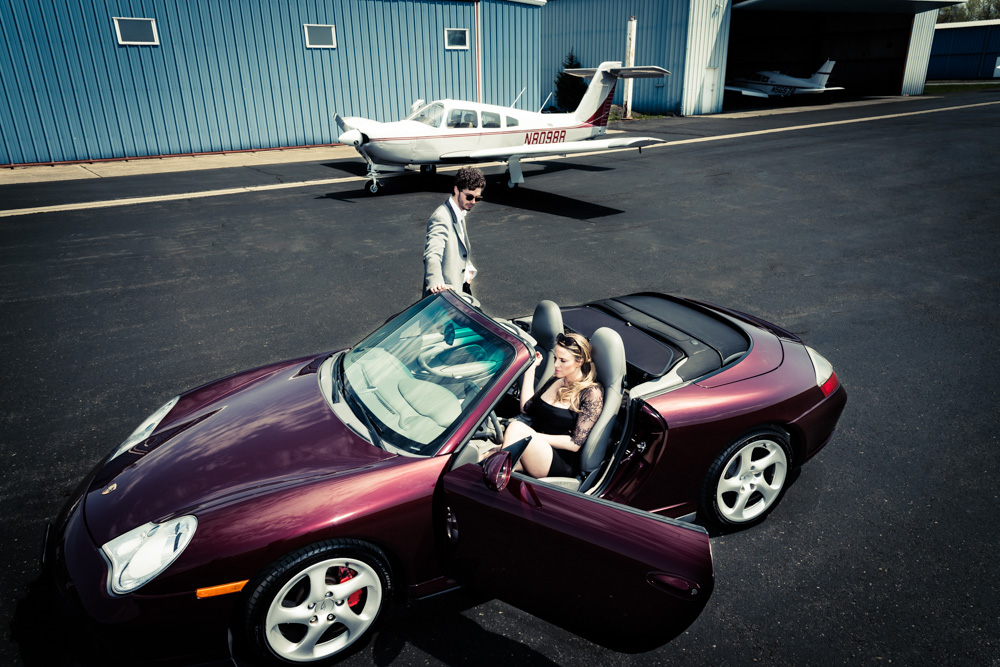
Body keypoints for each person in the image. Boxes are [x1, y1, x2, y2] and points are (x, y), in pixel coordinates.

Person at [501, 332, 604, 478]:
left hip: (558, 460)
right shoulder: (557, 378)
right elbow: (526, 408)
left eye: (563, 360)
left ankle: (498, 471)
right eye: (555, 358)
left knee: (515, 430)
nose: (555, 364)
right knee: (487, 455)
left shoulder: (591, 393)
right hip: (534, 447)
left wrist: (531, 436)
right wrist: (531, 369)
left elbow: (575, 444)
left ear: (579, 361)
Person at [423, 166, 486, 299]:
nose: (473, 202)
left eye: (477, 198)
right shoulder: (441, 217)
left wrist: (468, 269)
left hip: (459, 290)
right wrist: (436, 283)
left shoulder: (459, 212)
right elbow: (432, 254)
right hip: (445, 298)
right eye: (469, 197)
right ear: (456, 189)